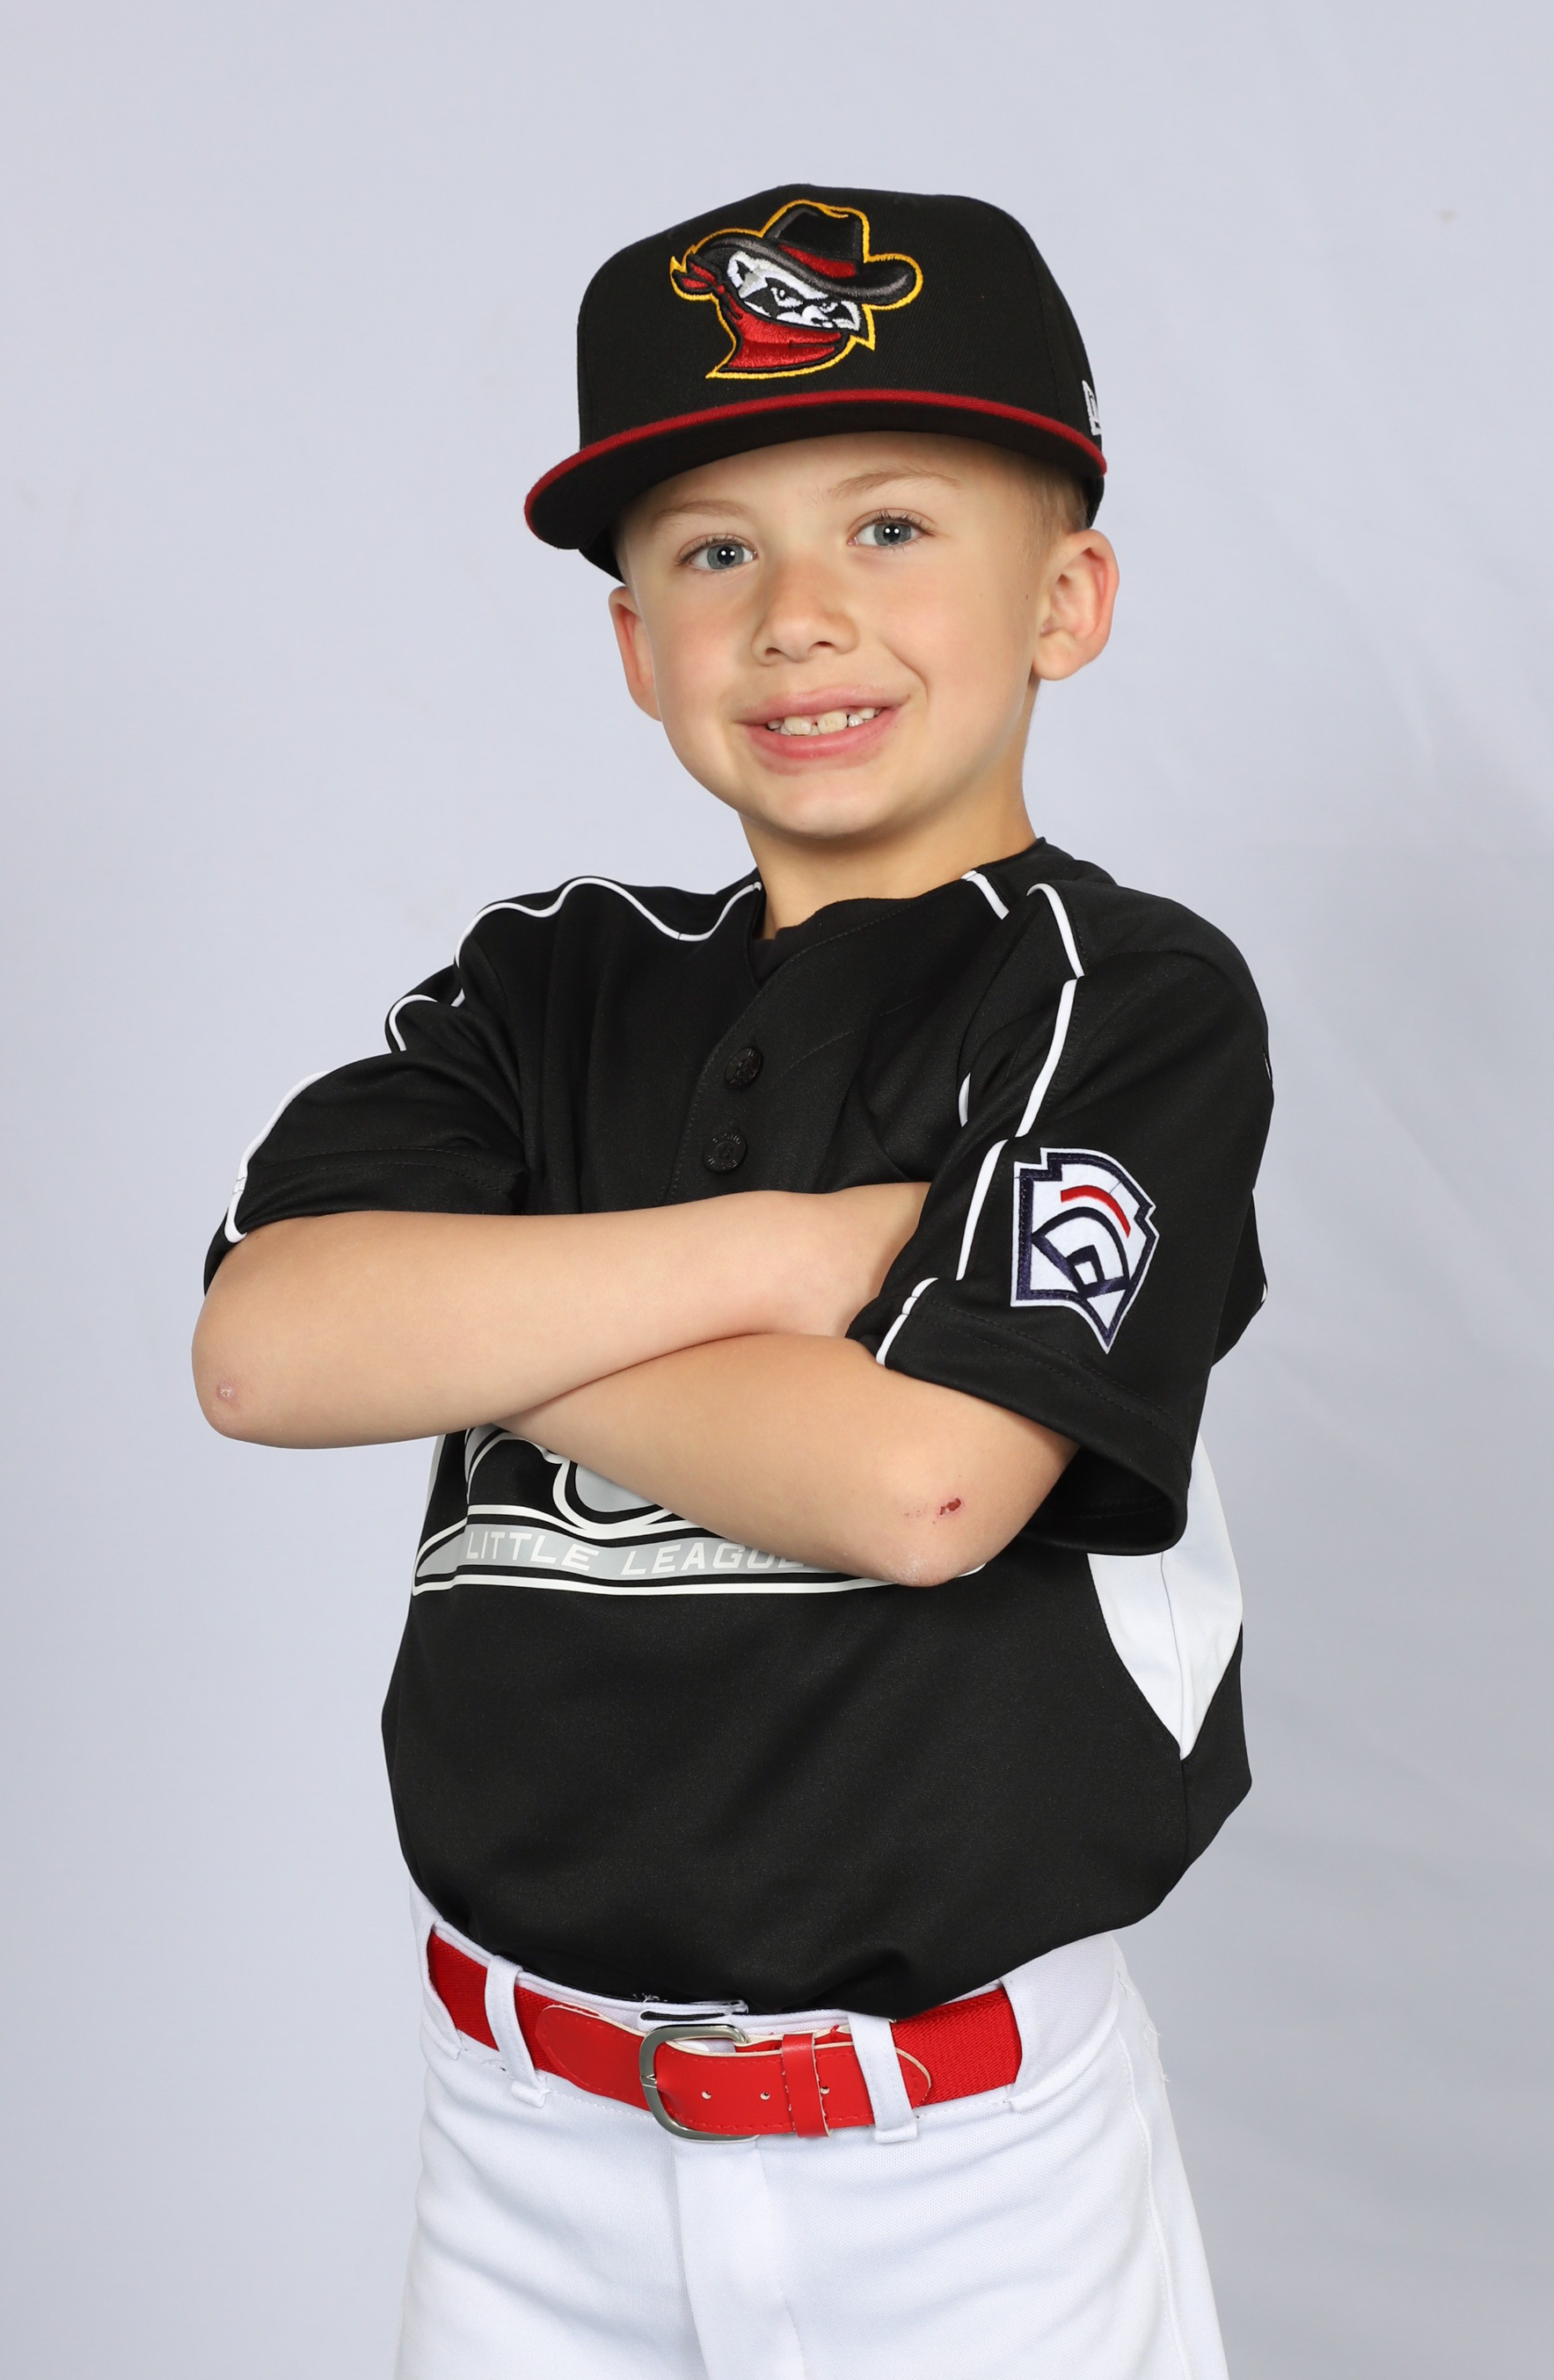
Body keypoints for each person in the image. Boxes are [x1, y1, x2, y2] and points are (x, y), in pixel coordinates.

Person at [193, 185, 1273, 2380]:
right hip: (522, 2135)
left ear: (1064, 598)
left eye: (890, 525)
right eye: (709, 552)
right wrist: (781, 1258)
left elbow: (920, 1485)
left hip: (961, 2167)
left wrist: (485, 1313)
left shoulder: (1115, 996)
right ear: (632, 644)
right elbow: (267, 1344)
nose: (797, 617)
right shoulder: (543, 985)